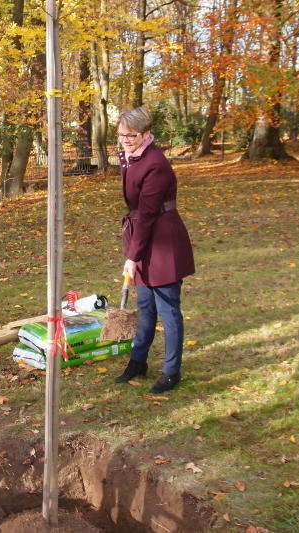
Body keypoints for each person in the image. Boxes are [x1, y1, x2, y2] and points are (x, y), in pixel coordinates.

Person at [113, 106, 195, 394]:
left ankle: (172, 372)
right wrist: (134, 253)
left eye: (130, 135)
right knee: (146, 308)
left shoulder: (155, 164)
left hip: (163, 243)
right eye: (121, 134)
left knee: (168, 311)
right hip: (144, 237)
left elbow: (148, 214)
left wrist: (132, 257)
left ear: (147, 134)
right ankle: (138, 362)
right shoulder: (131, 155)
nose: (124, 140)